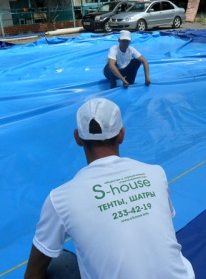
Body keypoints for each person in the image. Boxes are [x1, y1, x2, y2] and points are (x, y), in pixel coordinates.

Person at [24, 98, 195, 279]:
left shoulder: (60, 198)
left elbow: (34, 270)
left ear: (77, 138)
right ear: (121, 134)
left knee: (59, 263)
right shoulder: (155, 173)